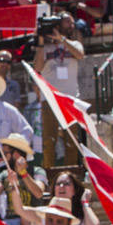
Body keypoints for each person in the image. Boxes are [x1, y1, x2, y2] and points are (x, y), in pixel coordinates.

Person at [35, 12, 85, 168]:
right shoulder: (45, 47)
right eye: (66, 22)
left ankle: (71, 173)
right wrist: (41, 41)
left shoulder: (75, 44)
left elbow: (80, 54)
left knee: (72, 139)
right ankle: (48, 173)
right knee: (49, 140)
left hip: (70, 98)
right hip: (50, 98)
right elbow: (37, 67)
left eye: (71, 22)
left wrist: (62, 40)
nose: (70, 25)